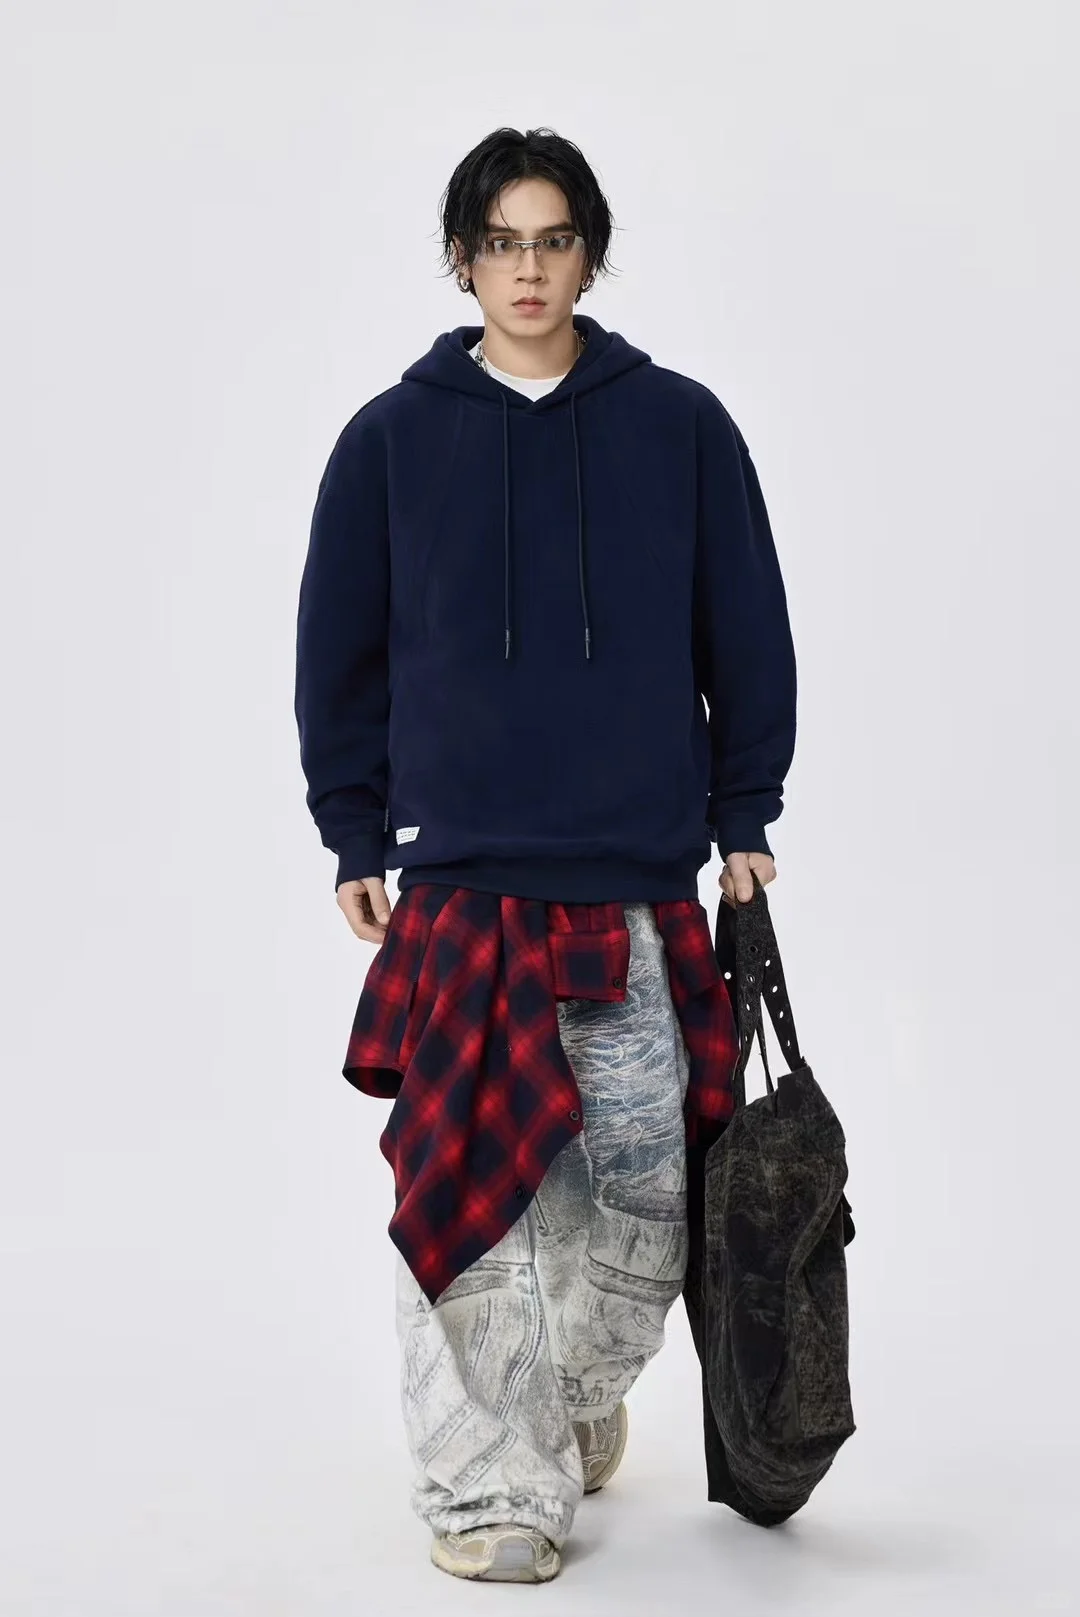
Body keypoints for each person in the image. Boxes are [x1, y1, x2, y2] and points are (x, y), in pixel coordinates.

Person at [293, 125, 797, 1584]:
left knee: (648, 1192)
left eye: (554, 239)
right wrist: (351, 823)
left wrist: (745, 813)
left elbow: (745, 627)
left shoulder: (680, 426)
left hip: (636, 879)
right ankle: (485, 1493)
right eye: (502, 242)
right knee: (470, 1191)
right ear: (464, 260)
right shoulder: (389, 440)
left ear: (590, 254)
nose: (529, 268)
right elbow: (340, 651)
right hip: (462, 882)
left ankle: (565, 1400)